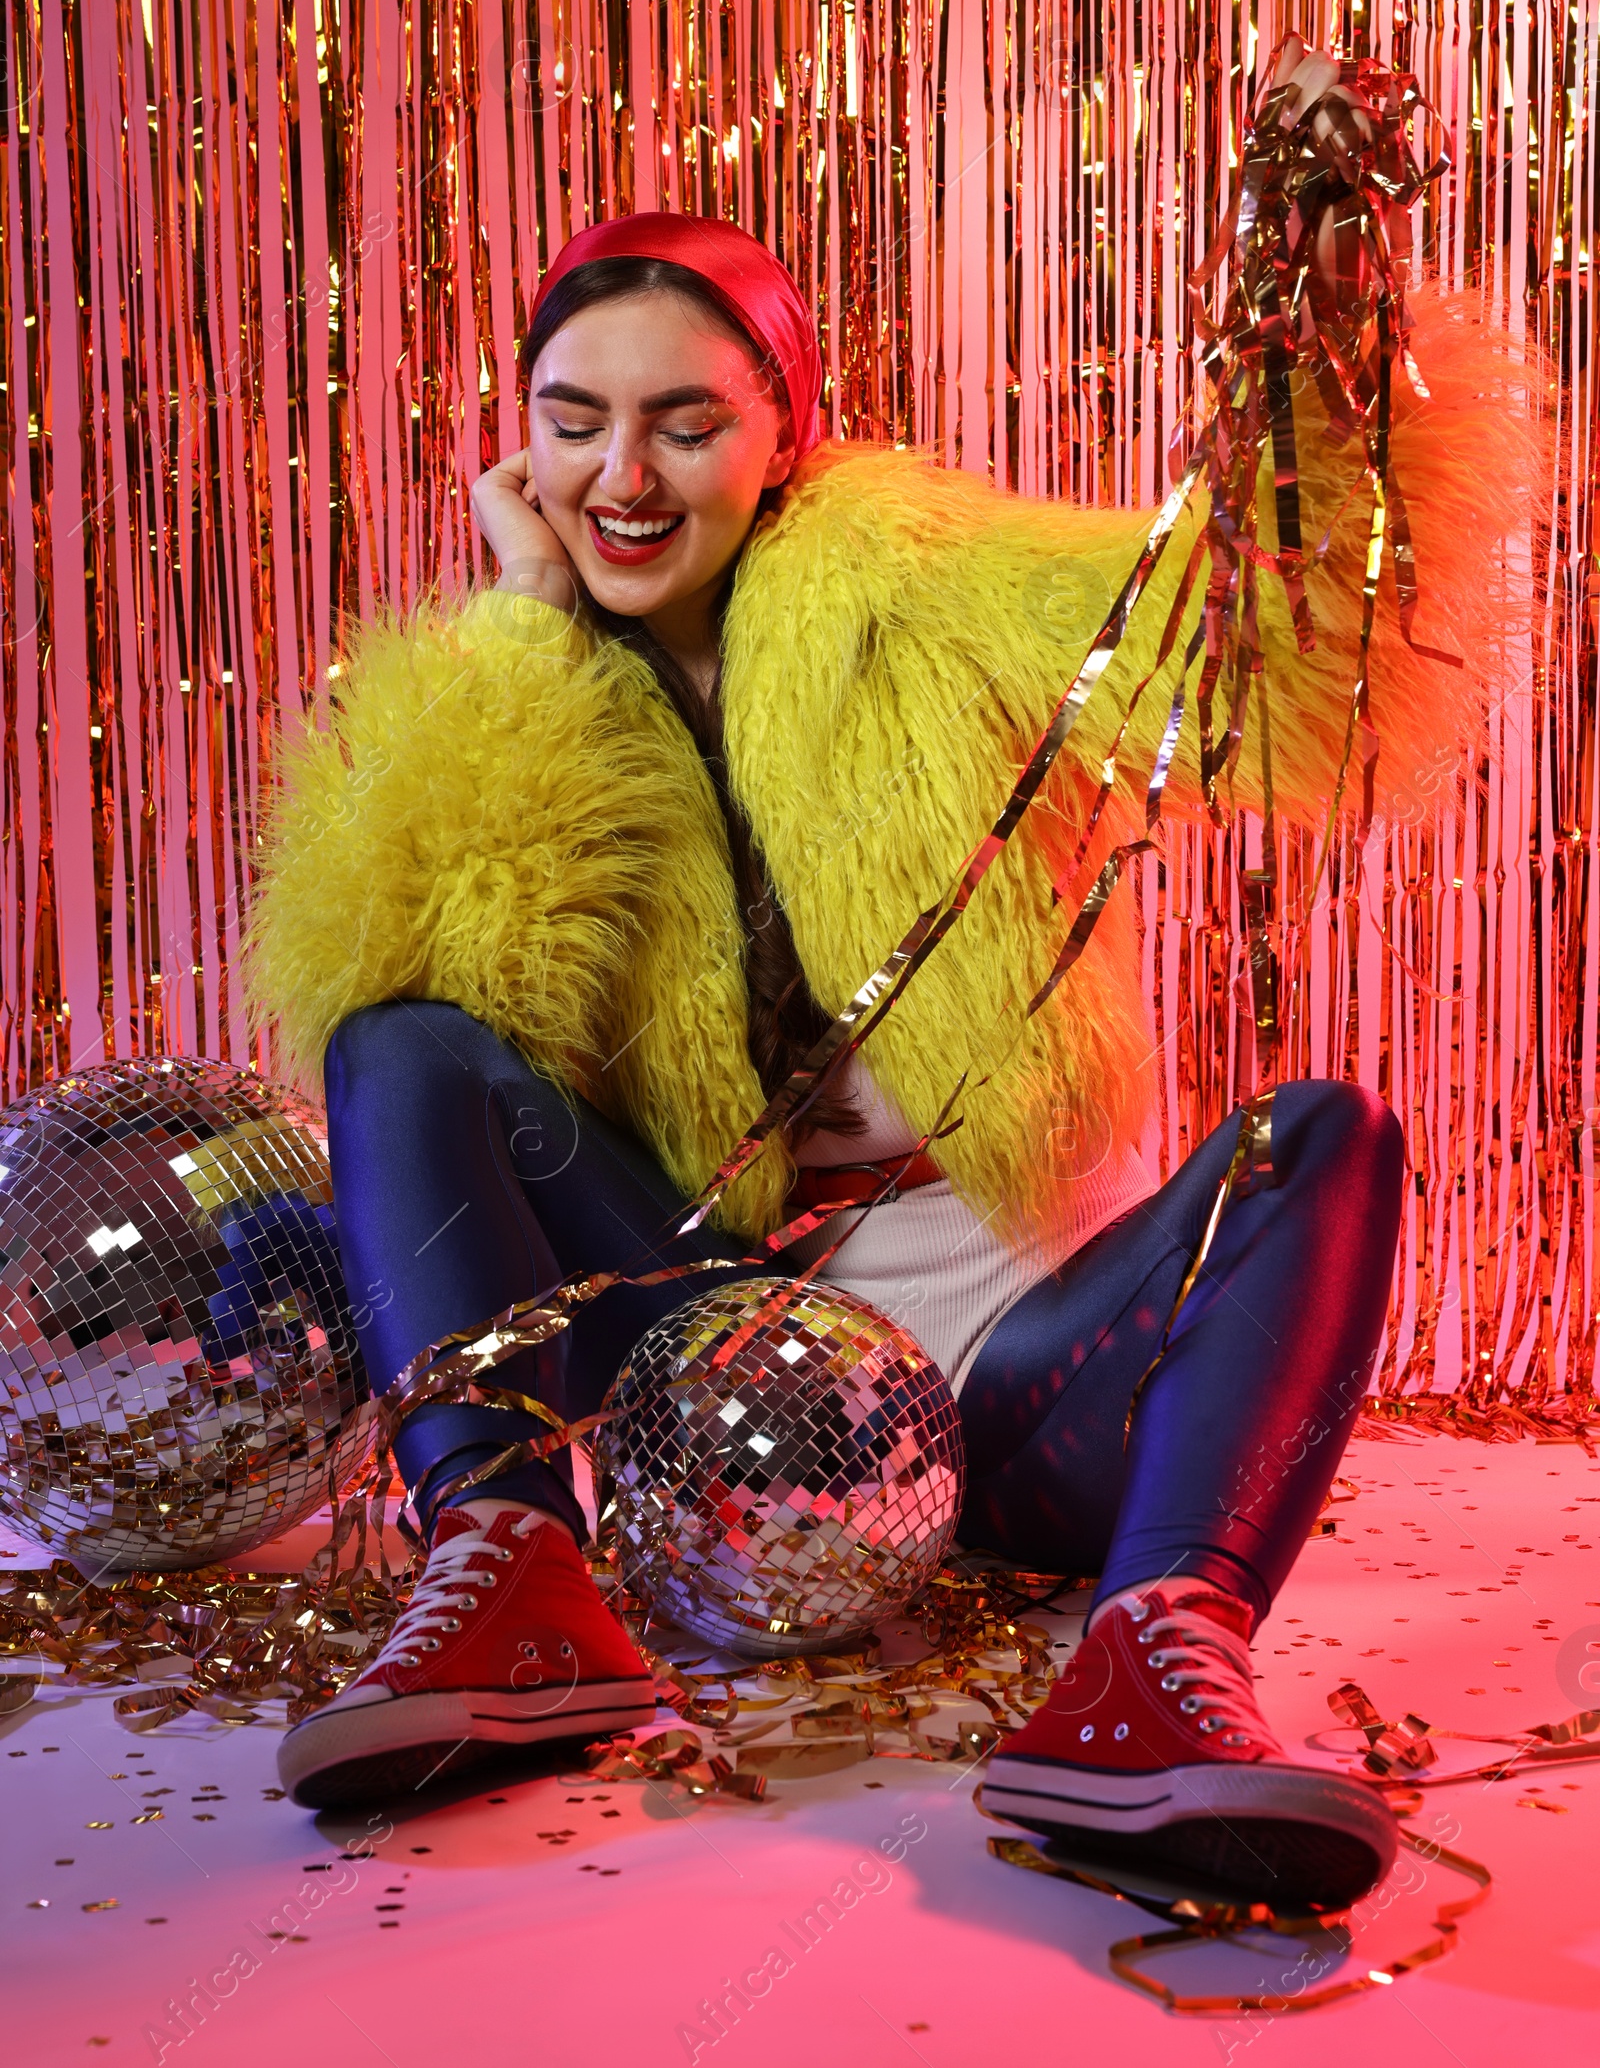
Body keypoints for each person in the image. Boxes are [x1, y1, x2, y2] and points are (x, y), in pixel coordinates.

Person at [242, 210, 1523, 1910]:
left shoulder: (933, 591)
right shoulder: (530, 657)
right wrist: (518, 634)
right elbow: (441, 1002)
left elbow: (1267, 660)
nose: (623, 473)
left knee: (1325, 1135)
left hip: (1020, 1383)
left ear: (786, 433)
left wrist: (1326, 359)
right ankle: (512, 1570)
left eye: (687, 423)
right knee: (397, 1040)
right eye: (572, 419)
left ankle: (1157, 1659)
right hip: (714, 1385)